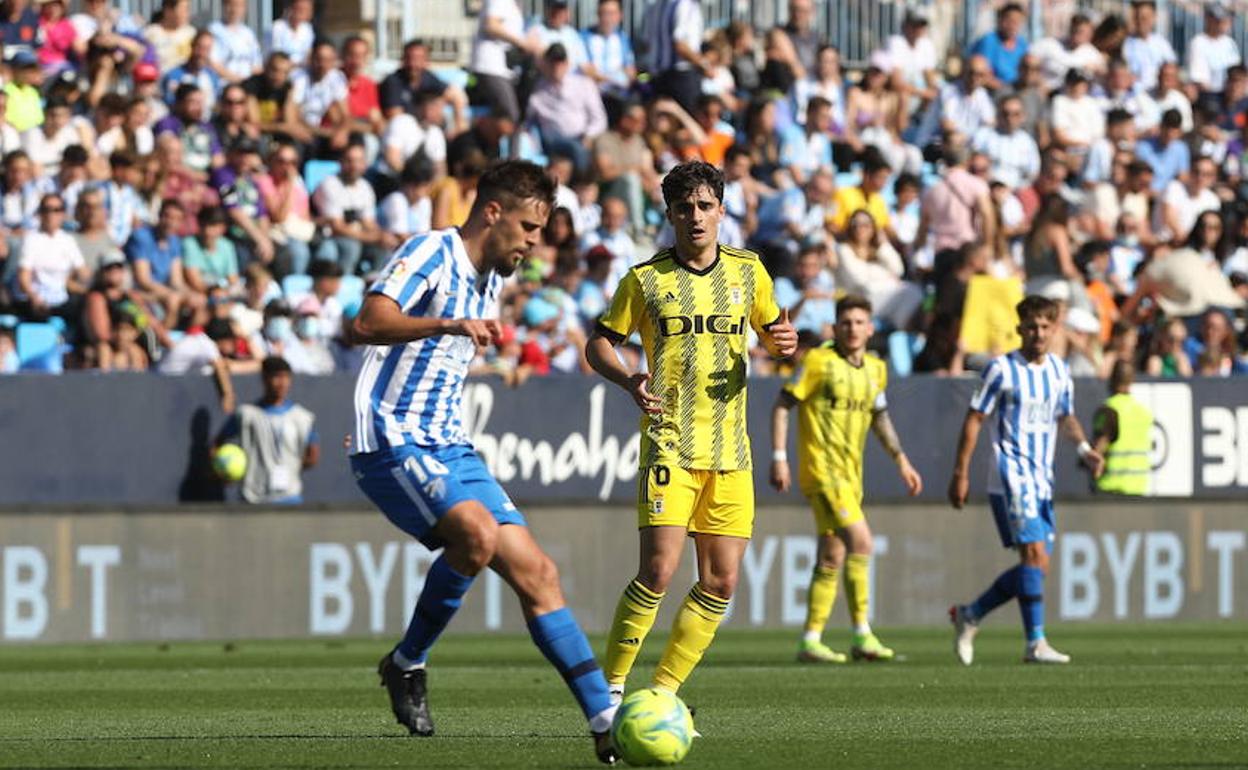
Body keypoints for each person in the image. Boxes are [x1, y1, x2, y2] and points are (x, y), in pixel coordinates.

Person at [347, 160, 618, 763]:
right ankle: (410, 662)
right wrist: (448, 322)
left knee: (539, 573)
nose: (532, 242)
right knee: (475, 532)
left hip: (450, 444)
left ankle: (605, 717)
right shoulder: (431, 252)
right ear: (491, 213)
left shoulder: (493, 273)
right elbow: (366, 321)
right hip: (391, 437)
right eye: (527, 227)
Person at [584, 160, 797, 700]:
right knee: (658, 571)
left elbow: (775, 330)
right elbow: (599, 343)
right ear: (670, 214)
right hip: (670, 444)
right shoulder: (646, 279)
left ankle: (660, 696)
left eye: (705, 206)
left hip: (732, 450)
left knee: (721, 581)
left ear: (722, 212)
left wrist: (783, 342)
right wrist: (629, 379)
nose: (696, 217)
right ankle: (608, 692)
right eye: (685, 208)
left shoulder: (749, 272)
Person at [948, 295, 1105, 666]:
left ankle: (970, 614)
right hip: (1010, 473)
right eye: (1031, 326)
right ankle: (1035, 643)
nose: (1037, 333)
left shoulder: (1059, 371)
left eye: (1045, 327)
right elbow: (974, 419)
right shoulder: (1000, 369)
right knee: (1033, 556)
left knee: (1037, 566)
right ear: (1019, 328)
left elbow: (1065, 417)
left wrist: (1084, 449)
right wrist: (960, 472)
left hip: (1041, 478)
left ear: (1054, 330)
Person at [769, 294, 922, 663]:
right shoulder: (818, 361)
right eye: (846, 322)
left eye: (859, 322)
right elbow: (783, 405)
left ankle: (811, 639)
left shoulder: (875, 369)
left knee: (832, 555)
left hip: (852, 477)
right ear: (835, 327)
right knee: (862, 542)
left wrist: (901, 460)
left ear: (870, 329)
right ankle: (862, 634)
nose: (852, 329)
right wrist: (779, 458)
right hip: (822, 472)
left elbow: (880, 417)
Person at [218, 355, 318, 503]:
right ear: (264, 378)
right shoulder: (246, 414)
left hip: (290, 499)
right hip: (253, 500)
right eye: (277, 377)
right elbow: (217, 443)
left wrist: (291, 466)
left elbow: (312, 457)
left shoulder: (303, 417)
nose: (282, 383)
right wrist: (224, 469)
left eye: (286, 377)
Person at [1091, 360, 1153, 496]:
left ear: (1112, 378)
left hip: (1111, 488)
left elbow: (1099, 448)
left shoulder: (1109, 410)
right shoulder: (1143, 412)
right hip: (1138, 488)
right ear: (1132, 380)